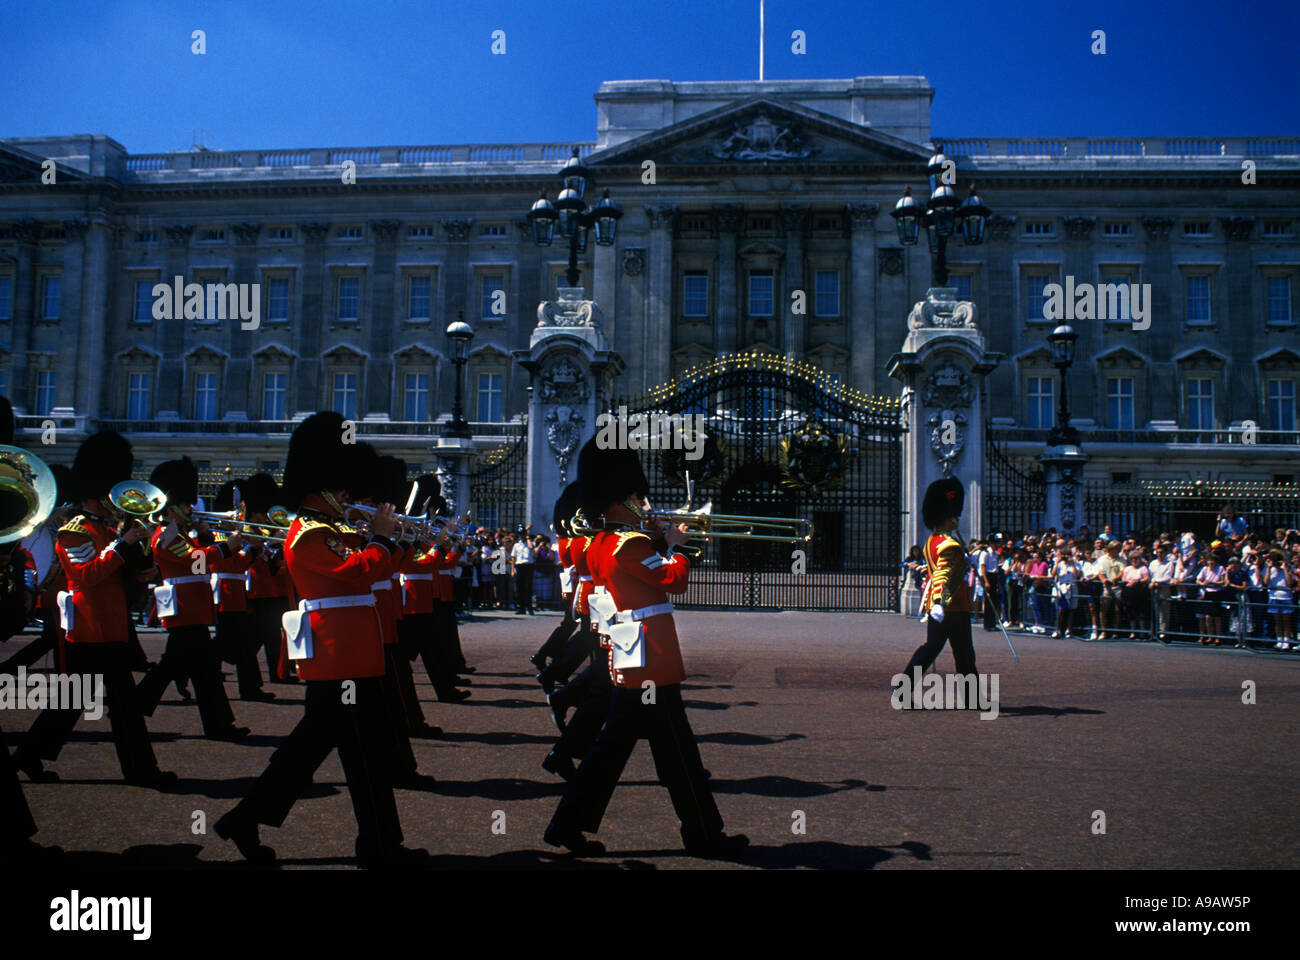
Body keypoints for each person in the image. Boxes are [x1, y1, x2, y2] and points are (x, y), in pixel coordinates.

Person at [214, 411, 427, 869]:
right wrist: (384, 541)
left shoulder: (334, 530)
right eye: (344, 488)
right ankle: (378, 845)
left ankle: (246, 819)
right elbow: (356, 574)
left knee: (328, 749)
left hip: (352, 656)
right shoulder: (309, 534)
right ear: (323, 485)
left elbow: (376, 568)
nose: (350, 497)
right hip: (339, 659)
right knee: (356, 753)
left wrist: (399, 542)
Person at [544, 437, 748, 859]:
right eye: (637, 495)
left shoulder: (607, 542)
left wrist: (659, 538)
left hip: (633, 656)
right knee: (674, 753)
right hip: (649, 660)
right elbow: (673, 579)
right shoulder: (628, 544)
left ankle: (569, 826)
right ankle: (703, 835)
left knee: (630, 751)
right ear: (619, 499)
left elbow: (643, 574)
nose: (644, 501)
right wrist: (676, 545)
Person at [13, 431, 177, 789]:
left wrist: (144, 565)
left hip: (112, 626)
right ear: (98, 491)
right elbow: (86, 576)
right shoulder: (75, 531)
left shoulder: (107, 529)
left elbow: (126, 576)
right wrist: (122, 545)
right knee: (113, 704)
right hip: (89, 629)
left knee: (83, 703)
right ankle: (141, 770)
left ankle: (28, 756)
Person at [135, 457, 250, 742]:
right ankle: (136, 706)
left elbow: (198, 555)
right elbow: (194, 562)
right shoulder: (167, 533)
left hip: (193, 607)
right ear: (173, 506)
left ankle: (218, 725)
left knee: (200, 669)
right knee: (185, 667)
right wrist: (225, 546)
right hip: (183, 607)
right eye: (187, 505)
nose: (191, 509)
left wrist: (207, 535)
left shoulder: (182, 533)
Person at [898, 476, 979, 680]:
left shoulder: (933, 541)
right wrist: (938, 602)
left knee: (931, 650)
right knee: (964, 654)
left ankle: (902, 688)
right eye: (955, 516)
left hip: (942, 605)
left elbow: (937, 570)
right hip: (951, 605)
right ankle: (972, 697)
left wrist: (965, 563)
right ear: (949, 517)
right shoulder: (949, 544)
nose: (957, 519)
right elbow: (942, 573)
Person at [1265, 550, 1295, 650]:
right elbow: (1266, 582)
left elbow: (1289, 583)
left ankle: (1286, 641)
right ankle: (1279, 640)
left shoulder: (1287, 569)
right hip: (1274, 597)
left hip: (1286, 597)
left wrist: (1285, 569)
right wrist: (1269, 569)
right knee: (1277, 621)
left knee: (1286, 621)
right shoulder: (1271, 569)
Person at [510, 526, 535, 614]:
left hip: (528, 566)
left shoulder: (529, 543)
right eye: (520, 535)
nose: (521, 536)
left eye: (523, 534)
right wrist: (512, 570)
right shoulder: (516, 545)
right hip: (520, 566)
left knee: (528, 587)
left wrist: (528, 538)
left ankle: (530, 608)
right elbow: (513, 558)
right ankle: (522, 608)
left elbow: (531, 547)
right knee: (520, 588)